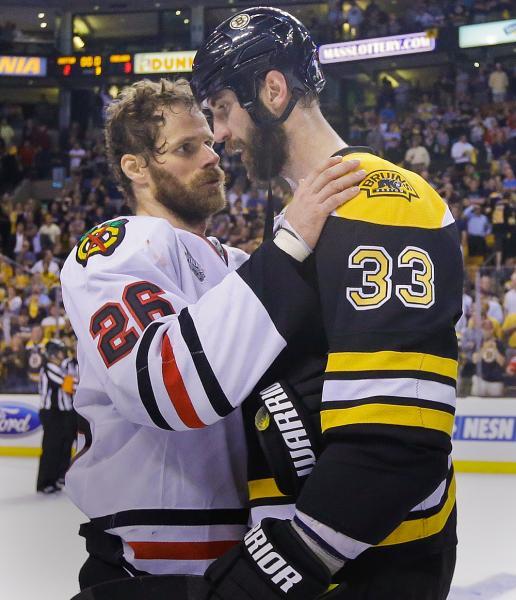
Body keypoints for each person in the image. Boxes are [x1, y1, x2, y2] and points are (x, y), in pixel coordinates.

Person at [191, 7, 462, 599]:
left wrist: (277, 567)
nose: (219, 134)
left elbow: (394, 446)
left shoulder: (383, 200)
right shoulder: (304, 214)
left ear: (272, 90)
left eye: (221, 110)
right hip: (337, 553)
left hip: (373, 560)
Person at [59, 78, 363, 591]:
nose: (211, 156)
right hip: (143, 568)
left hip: (240, 560)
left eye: (208, 141)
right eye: (185, 148)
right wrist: (291, 245)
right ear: (135, 168)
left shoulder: (237, 265)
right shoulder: (116, 247)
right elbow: (169, 387)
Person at [36, 339, 76, 494]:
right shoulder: (49, 367)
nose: (63, 353)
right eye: (60, 350)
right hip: (51, 413)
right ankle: (44, 482)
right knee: (51, 447)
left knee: (60, 446)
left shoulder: (59, 367)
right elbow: (67, 385)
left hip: (60, 413)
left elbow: (69, 382)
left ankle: (53, 479)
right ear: (53, 353)